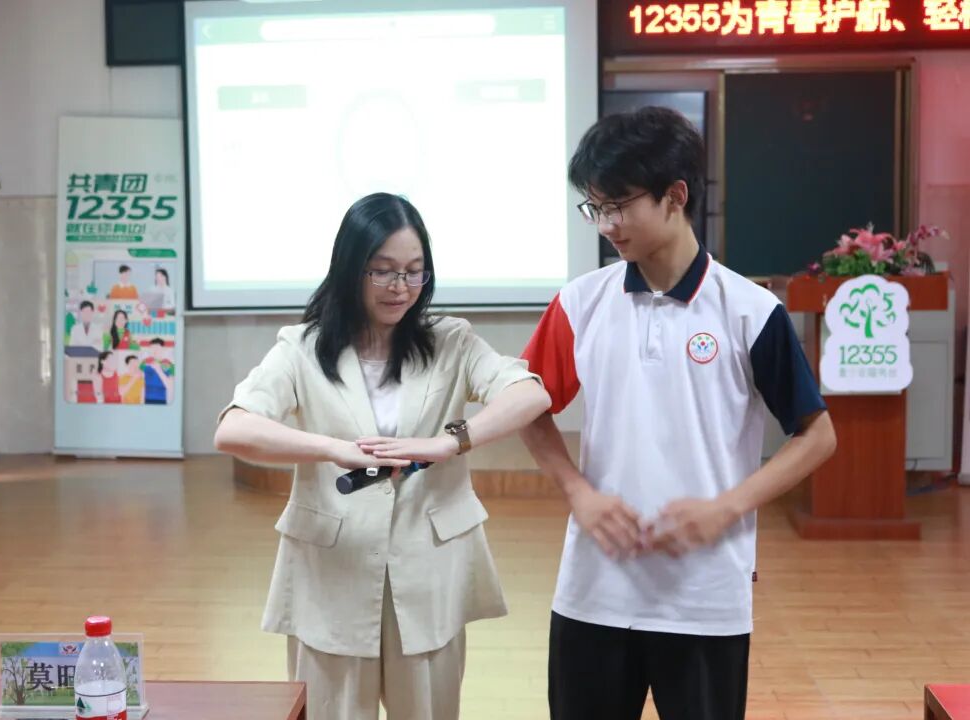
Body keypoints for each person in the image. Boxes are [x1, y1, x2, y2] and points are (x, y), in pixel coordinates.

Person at [518, 107, 837, 720]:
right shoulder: (580, 303)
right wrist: (578, 492)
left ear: (675, 196)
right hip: (593, 591)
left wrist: (727, 507)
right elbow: (528, 407)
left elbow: (817, 436)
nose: (606, 225)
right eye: (594, 207)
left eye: (619, 205)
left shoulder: (750, 310)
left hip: (705, 598)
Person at [214, 192, 551, 720]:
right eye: (383, 271)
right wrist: (331, 448)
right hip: (333, 570)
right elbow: (233, 428)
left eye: (415, 272)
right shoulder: (302, 348)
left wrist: (450, 441)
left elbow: (530, 394)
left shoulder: (451, 341)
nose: (400, 287)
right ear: (351, 268)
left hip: (429, 568)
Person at [141, 339, 173, 404]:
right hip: (146, 400)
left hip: (161, 400)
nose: (154, 351)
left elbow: (170, 386)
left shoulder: (168, 364)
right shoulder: (144, 363)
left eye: (157, 348)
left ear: (163, 349)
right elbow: (140, 383)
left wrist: (158, 369)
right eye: (152, 348)